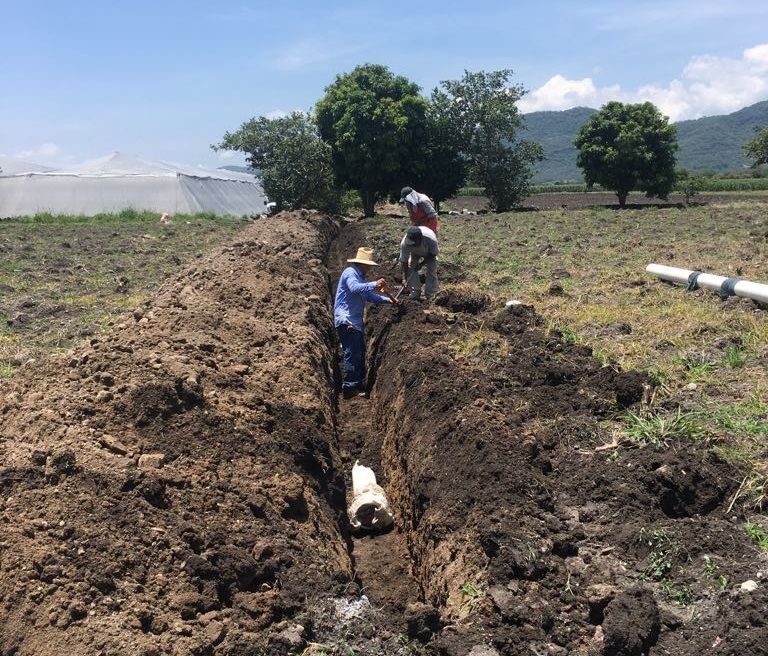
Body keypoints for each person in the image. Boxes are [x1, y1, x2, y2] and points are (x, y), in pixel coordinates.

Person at [334, 247, 397, 398]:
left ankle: (357, 383)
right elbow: (354, 289)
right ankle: (349, 387)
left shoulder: (360, 277)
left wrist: (389, 300)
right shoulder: (350, 273)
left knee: (359, 352)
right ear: (362, 264)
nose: (369, 268)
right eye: (368, 265)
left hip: (355, 321)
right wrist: (374, 284)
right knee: (352, 353)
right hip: (346, 319)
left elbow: (370, 297)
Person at [400, 226, 439, 302]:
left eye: (413, 244)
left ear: (419, 239)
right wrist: (405, 278)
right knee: (411, 267)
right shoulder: (405, 243)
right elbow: (404, 261)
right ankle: (415, 293)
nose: (411, 245)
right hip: (414, 253)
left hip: (429, 253)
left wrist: (421, 264)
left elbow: (433, 254)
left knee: (432, 270)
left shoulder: (430, 239)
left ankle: (431, 294)